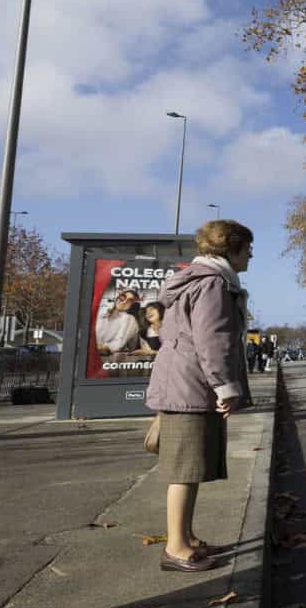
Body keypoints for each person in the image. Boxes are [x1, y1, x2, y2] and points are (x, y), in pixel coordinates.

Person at [145, 219, 254, 573]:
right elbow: (212, 341)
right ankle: (176, 548)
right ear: (231, 249)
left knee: (189, 467)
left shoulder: (198, 279)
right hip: (189, 385)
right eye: (247, 248)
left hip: (183, 382)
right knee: (183, 469)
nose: (251, 255)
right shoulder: (213, 284)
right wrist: (225, 387)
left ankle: (186, 537)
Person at [97, 289, 142, 353]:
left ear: (133, 305)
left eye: (129, 301)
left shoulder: (129, 319)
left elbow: (118, 345)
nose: (124, 302)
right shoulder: (103, 313)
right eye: (123, 297)